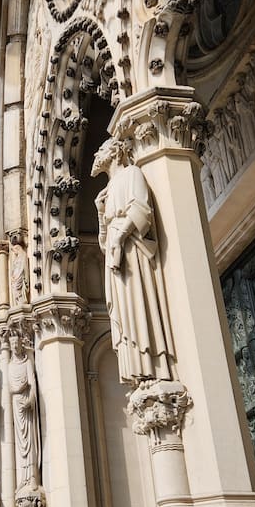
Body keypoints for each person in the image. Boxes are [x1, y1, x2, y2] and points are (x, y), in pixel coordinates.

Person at [91, 134, 175, 384]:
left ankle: (153, 365)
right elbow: (104, 242)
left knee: (138, 304)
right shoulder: (106, 192)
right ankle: (139, 371)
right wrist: (99, 212)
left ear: (116, 152)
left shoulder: (132, 175)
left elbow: (141, 209)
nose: (96, 155)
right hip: (117, 257)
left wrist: (121, 234)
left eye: (102, 149)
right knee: (124, 311)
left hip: (132, 251)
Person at [7, 330, 41, 490]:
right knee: (21, 443)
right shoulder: (10, 365)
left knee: (30, 440)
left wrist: (31, 399)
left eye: (17, 343)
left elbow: (32, 383)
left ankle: (33, 475)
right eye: (12, 344)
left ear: (21, 345)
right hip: (16, 404)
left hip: (27, 402)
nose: (14, 346)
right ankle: (25, 477)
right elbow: (12, 387)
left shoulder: (27, 362)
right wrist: (21, 387)